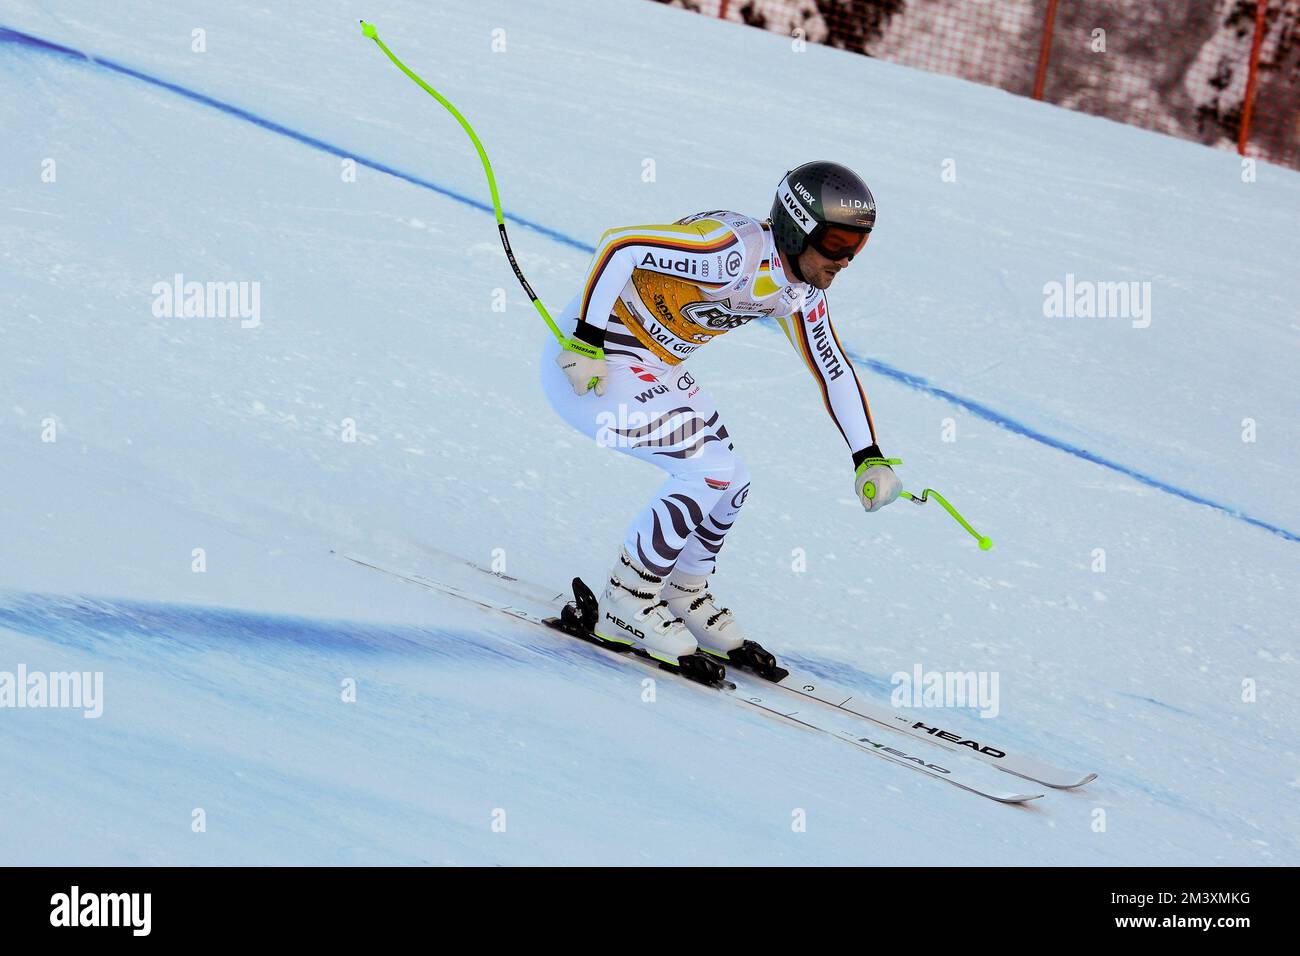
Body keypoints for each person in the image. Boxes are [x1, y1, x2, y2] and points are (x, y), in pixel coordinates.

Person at [541, 161, 901, 676]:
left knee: (734, 479)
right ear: (798, 229)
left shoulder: (799, 290)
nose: (846, 259)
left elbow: (832, 367)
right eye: (838, 242)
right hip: (589, 366)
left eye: (858, 245)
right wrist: (587, 337)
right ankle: (629, 596)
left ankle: (683, 590)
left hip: (651, 366)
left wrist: (867, 457)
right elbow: (620, 245)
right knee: (705, 468)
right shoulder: (730, 252)